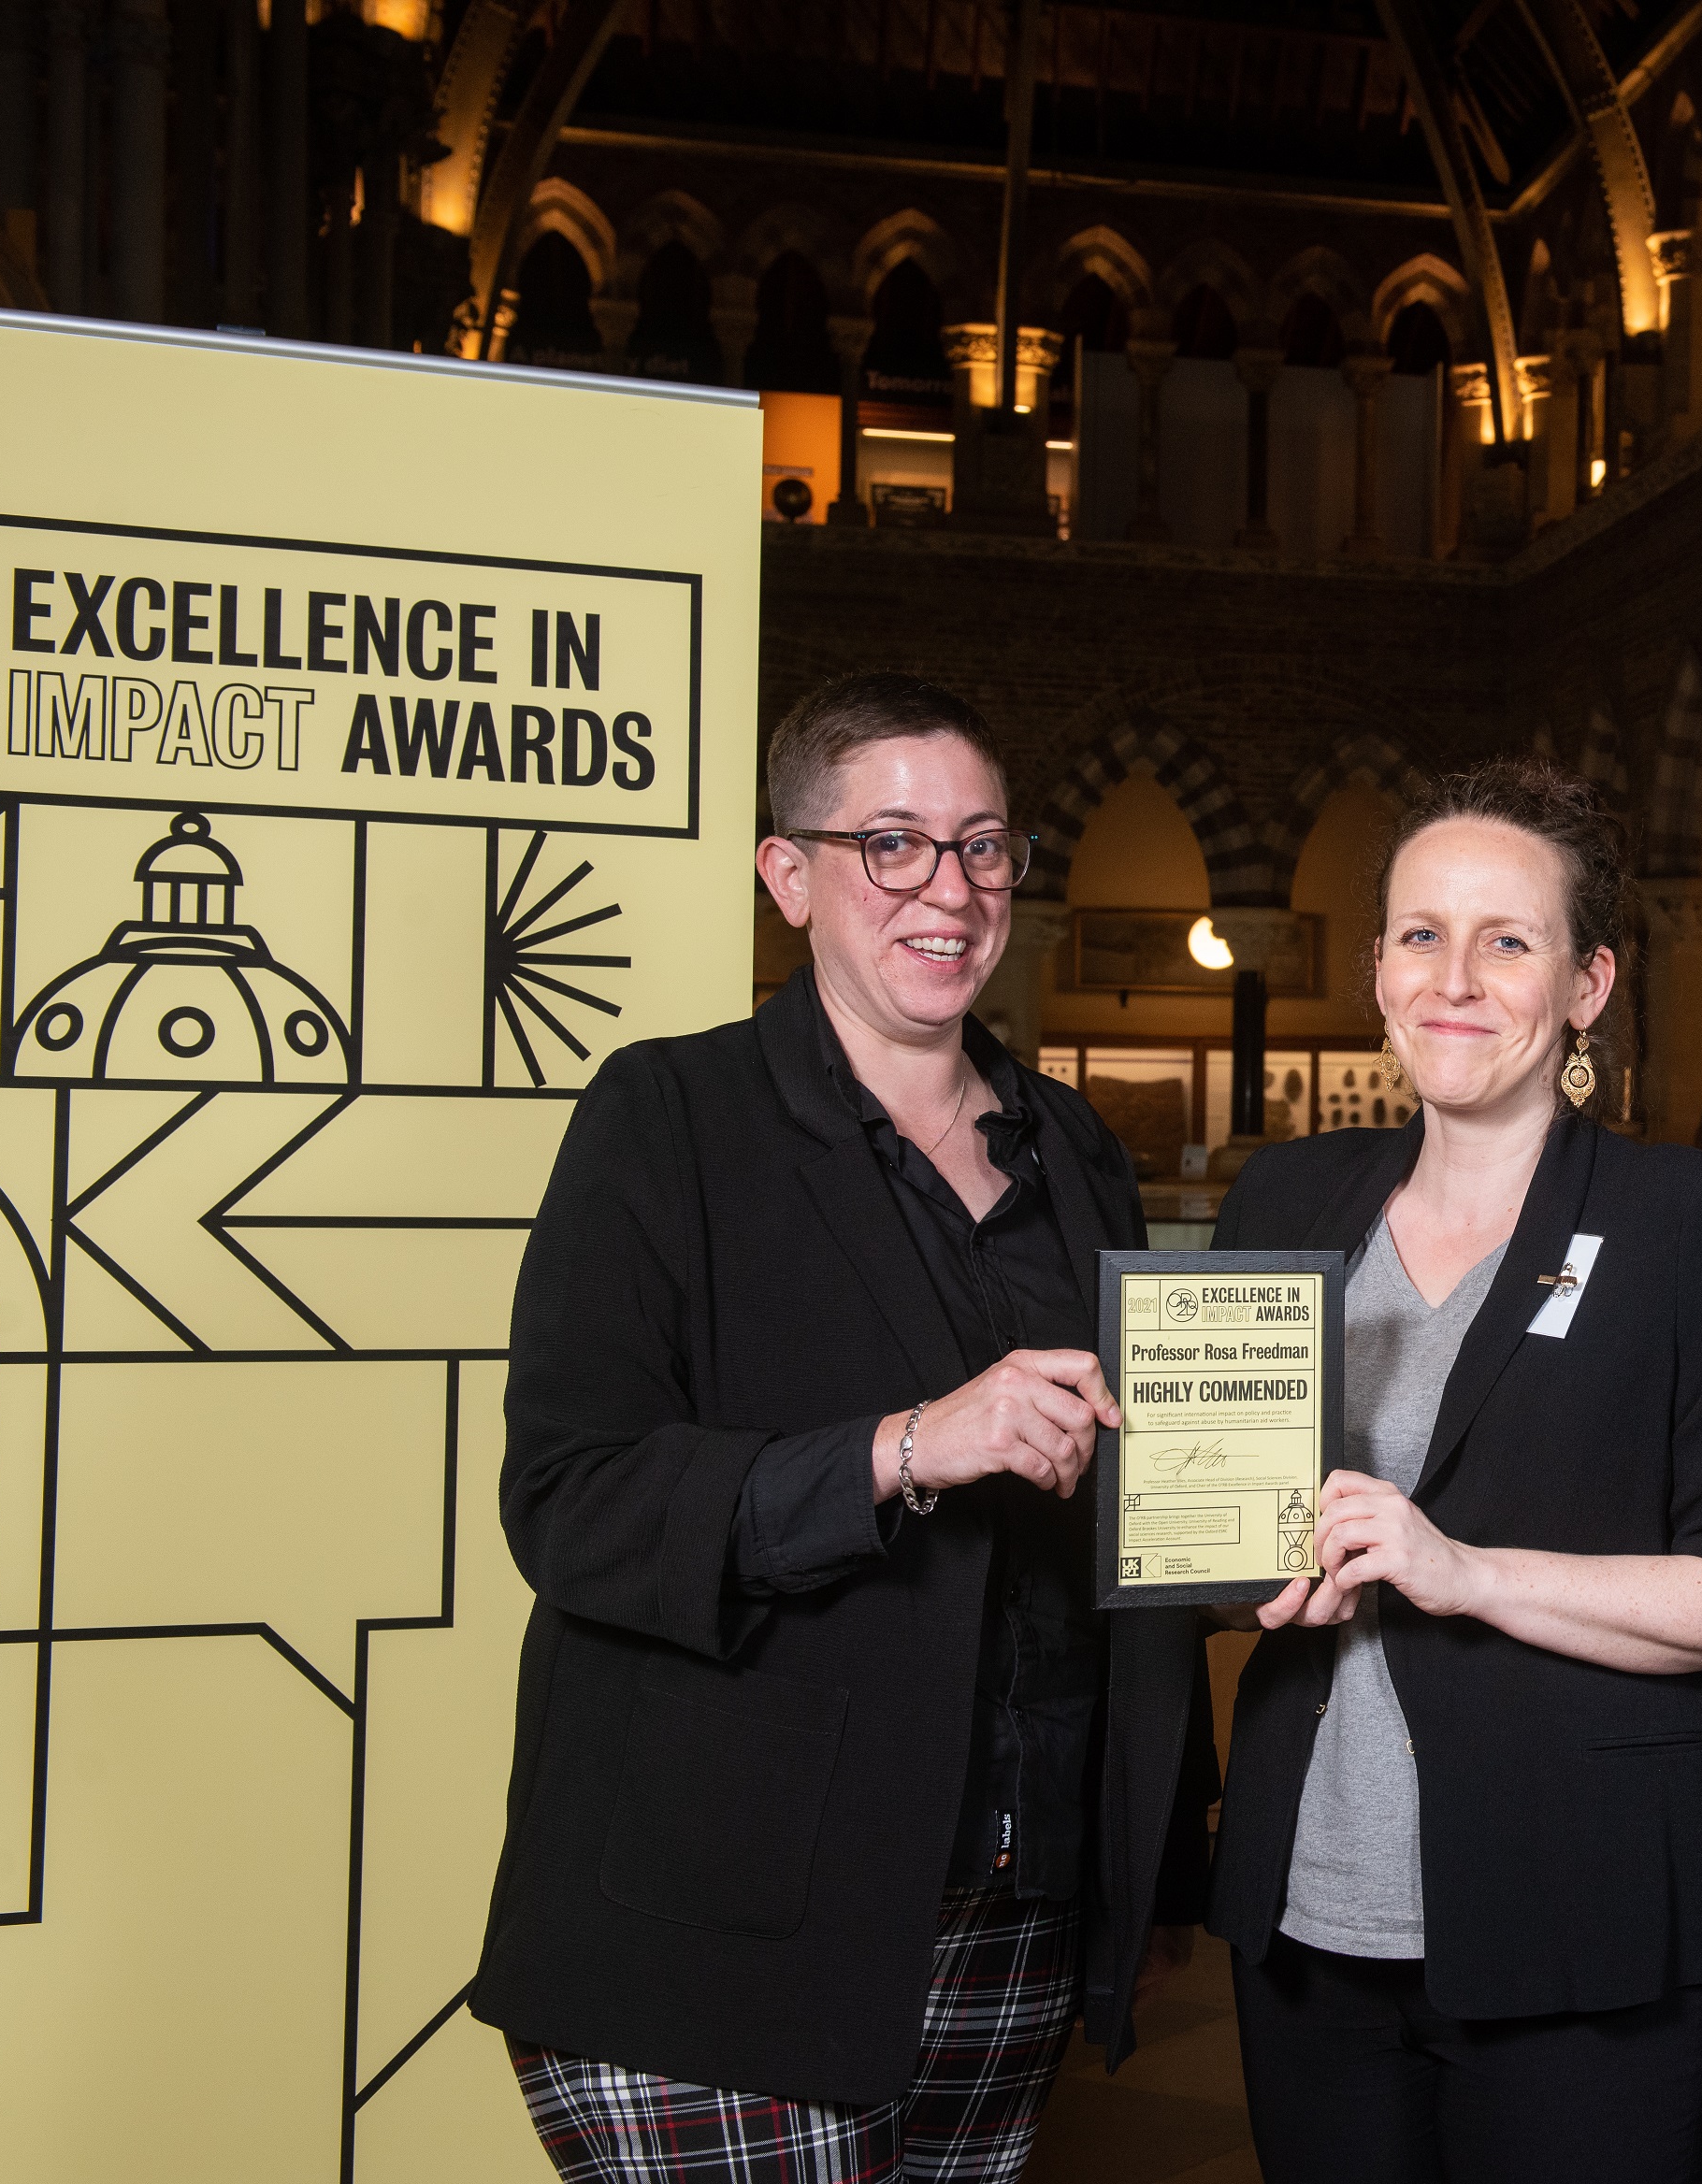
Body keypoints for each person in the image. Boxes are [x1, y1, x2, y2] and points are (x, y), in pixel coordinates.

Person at [471, 672, 1214, 2182]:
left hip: (1010, 1912)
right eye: (892, 843)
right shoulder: (668, 1118)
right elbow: (570, 1498)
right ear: (787, 875)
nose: (947, 889)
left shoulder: (1073, 1148)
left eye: (982, 845)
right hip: (715, 1911)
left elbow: (1116, 1534)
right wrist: (901, 1448)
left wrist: (1152, 1863)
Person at [1207, 757, 1702, 2184]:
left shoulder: (1693, 1221)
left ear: (1588, 986)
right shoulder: (1287, 1201)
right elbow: (1221, 1542)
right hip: (1311, 1922)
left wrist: (1458, 1573)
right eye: (1421, 935)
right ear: (1377, 972)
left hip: (1589, 1930)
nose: (1454, 978)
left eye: (1508, 941)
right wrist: (1221, 1567)